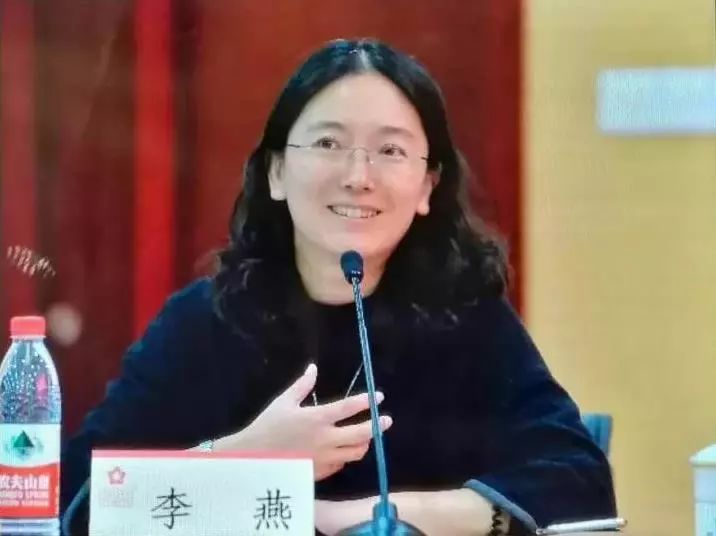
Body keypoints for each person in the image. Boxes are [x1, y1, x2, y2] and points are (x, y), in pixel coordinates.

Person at [60, 38, 616, 535]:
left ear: (427, 186)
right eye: (328, 143)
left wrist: (369, 517)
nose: (357, 176)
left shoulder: (466, 320)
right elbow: (76, 501)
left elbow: (581, 484)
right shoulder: (203, 322)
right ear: (276, 172)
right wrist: (241, 460)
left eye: (390, 151)